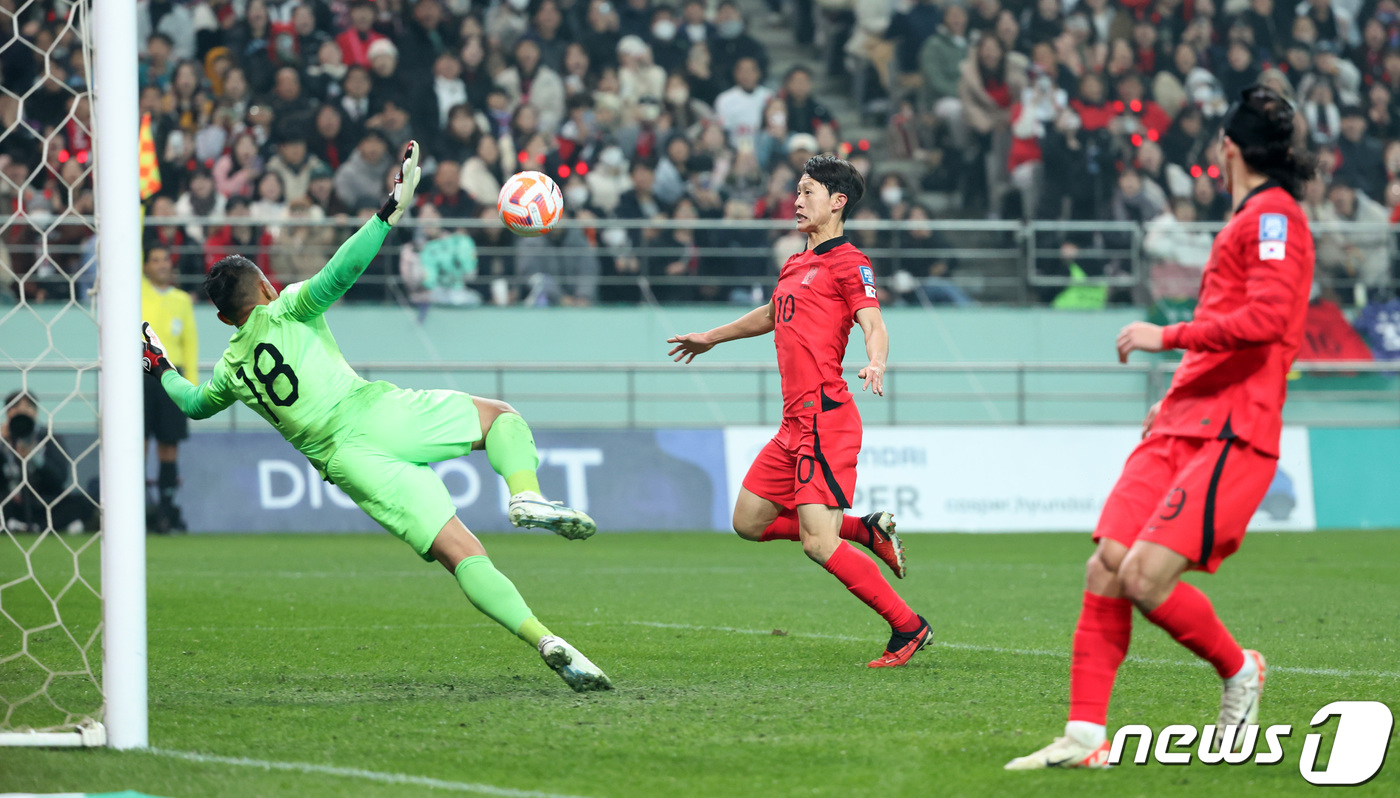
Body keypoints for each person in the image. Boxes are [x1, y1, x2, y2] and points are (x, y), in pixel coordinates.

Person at [141, 142, 611, 693]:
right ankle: (524, 493)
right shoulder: (288, 306)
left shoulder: (229, 369)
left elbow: (193, 404)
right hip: (377, 413)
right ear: (266, 287)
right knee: (500, 418)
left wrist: (159, 366)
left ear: (222, 318)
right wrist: (388, 213)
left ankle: (543, 638)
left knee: (461, 554)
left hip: (349, 463)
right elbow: (340, 272)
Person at [1007, 85, 1316, 769]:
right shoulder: (1250, 218)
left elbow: (1265, 321)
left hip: (1235, 427)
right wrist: (1174, 395)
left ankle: (1240, 670)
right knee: (1107, 565)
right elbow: (1229, 326)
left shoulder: (1274, 219)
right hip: (1184, 418)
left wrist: (1165, 334)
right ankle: (1085, 737)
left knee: (1145, 577)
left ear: (1227, 149)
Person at [666, 155, 930, 668]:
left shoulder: (850, 261)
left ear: (838, 202)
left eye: (808, 191)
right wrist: (711, 338)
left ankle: (909, 627)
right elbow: (771, 313)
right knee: (748, 521)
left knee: (816, 543)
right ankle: (864, 529)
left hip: (826, 417)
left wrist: (876, 361)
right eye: (797, 190)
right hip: (792, 423)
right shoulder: (794, 263)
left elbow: (873, 322)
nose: (796, 200)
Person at [140, 245, 198, 532]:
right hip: (139, 375)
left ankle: (165, 510)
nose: (162, 265)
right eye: (156, 260)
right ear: (145, 266)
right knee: (138, 445)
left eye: (166, 260)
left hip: (173, 377)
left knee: (169, 445)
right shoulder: (134, 291)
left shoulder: (181, 300)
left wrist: (194, 387)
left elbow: (190, 343)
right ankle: (137, 510)